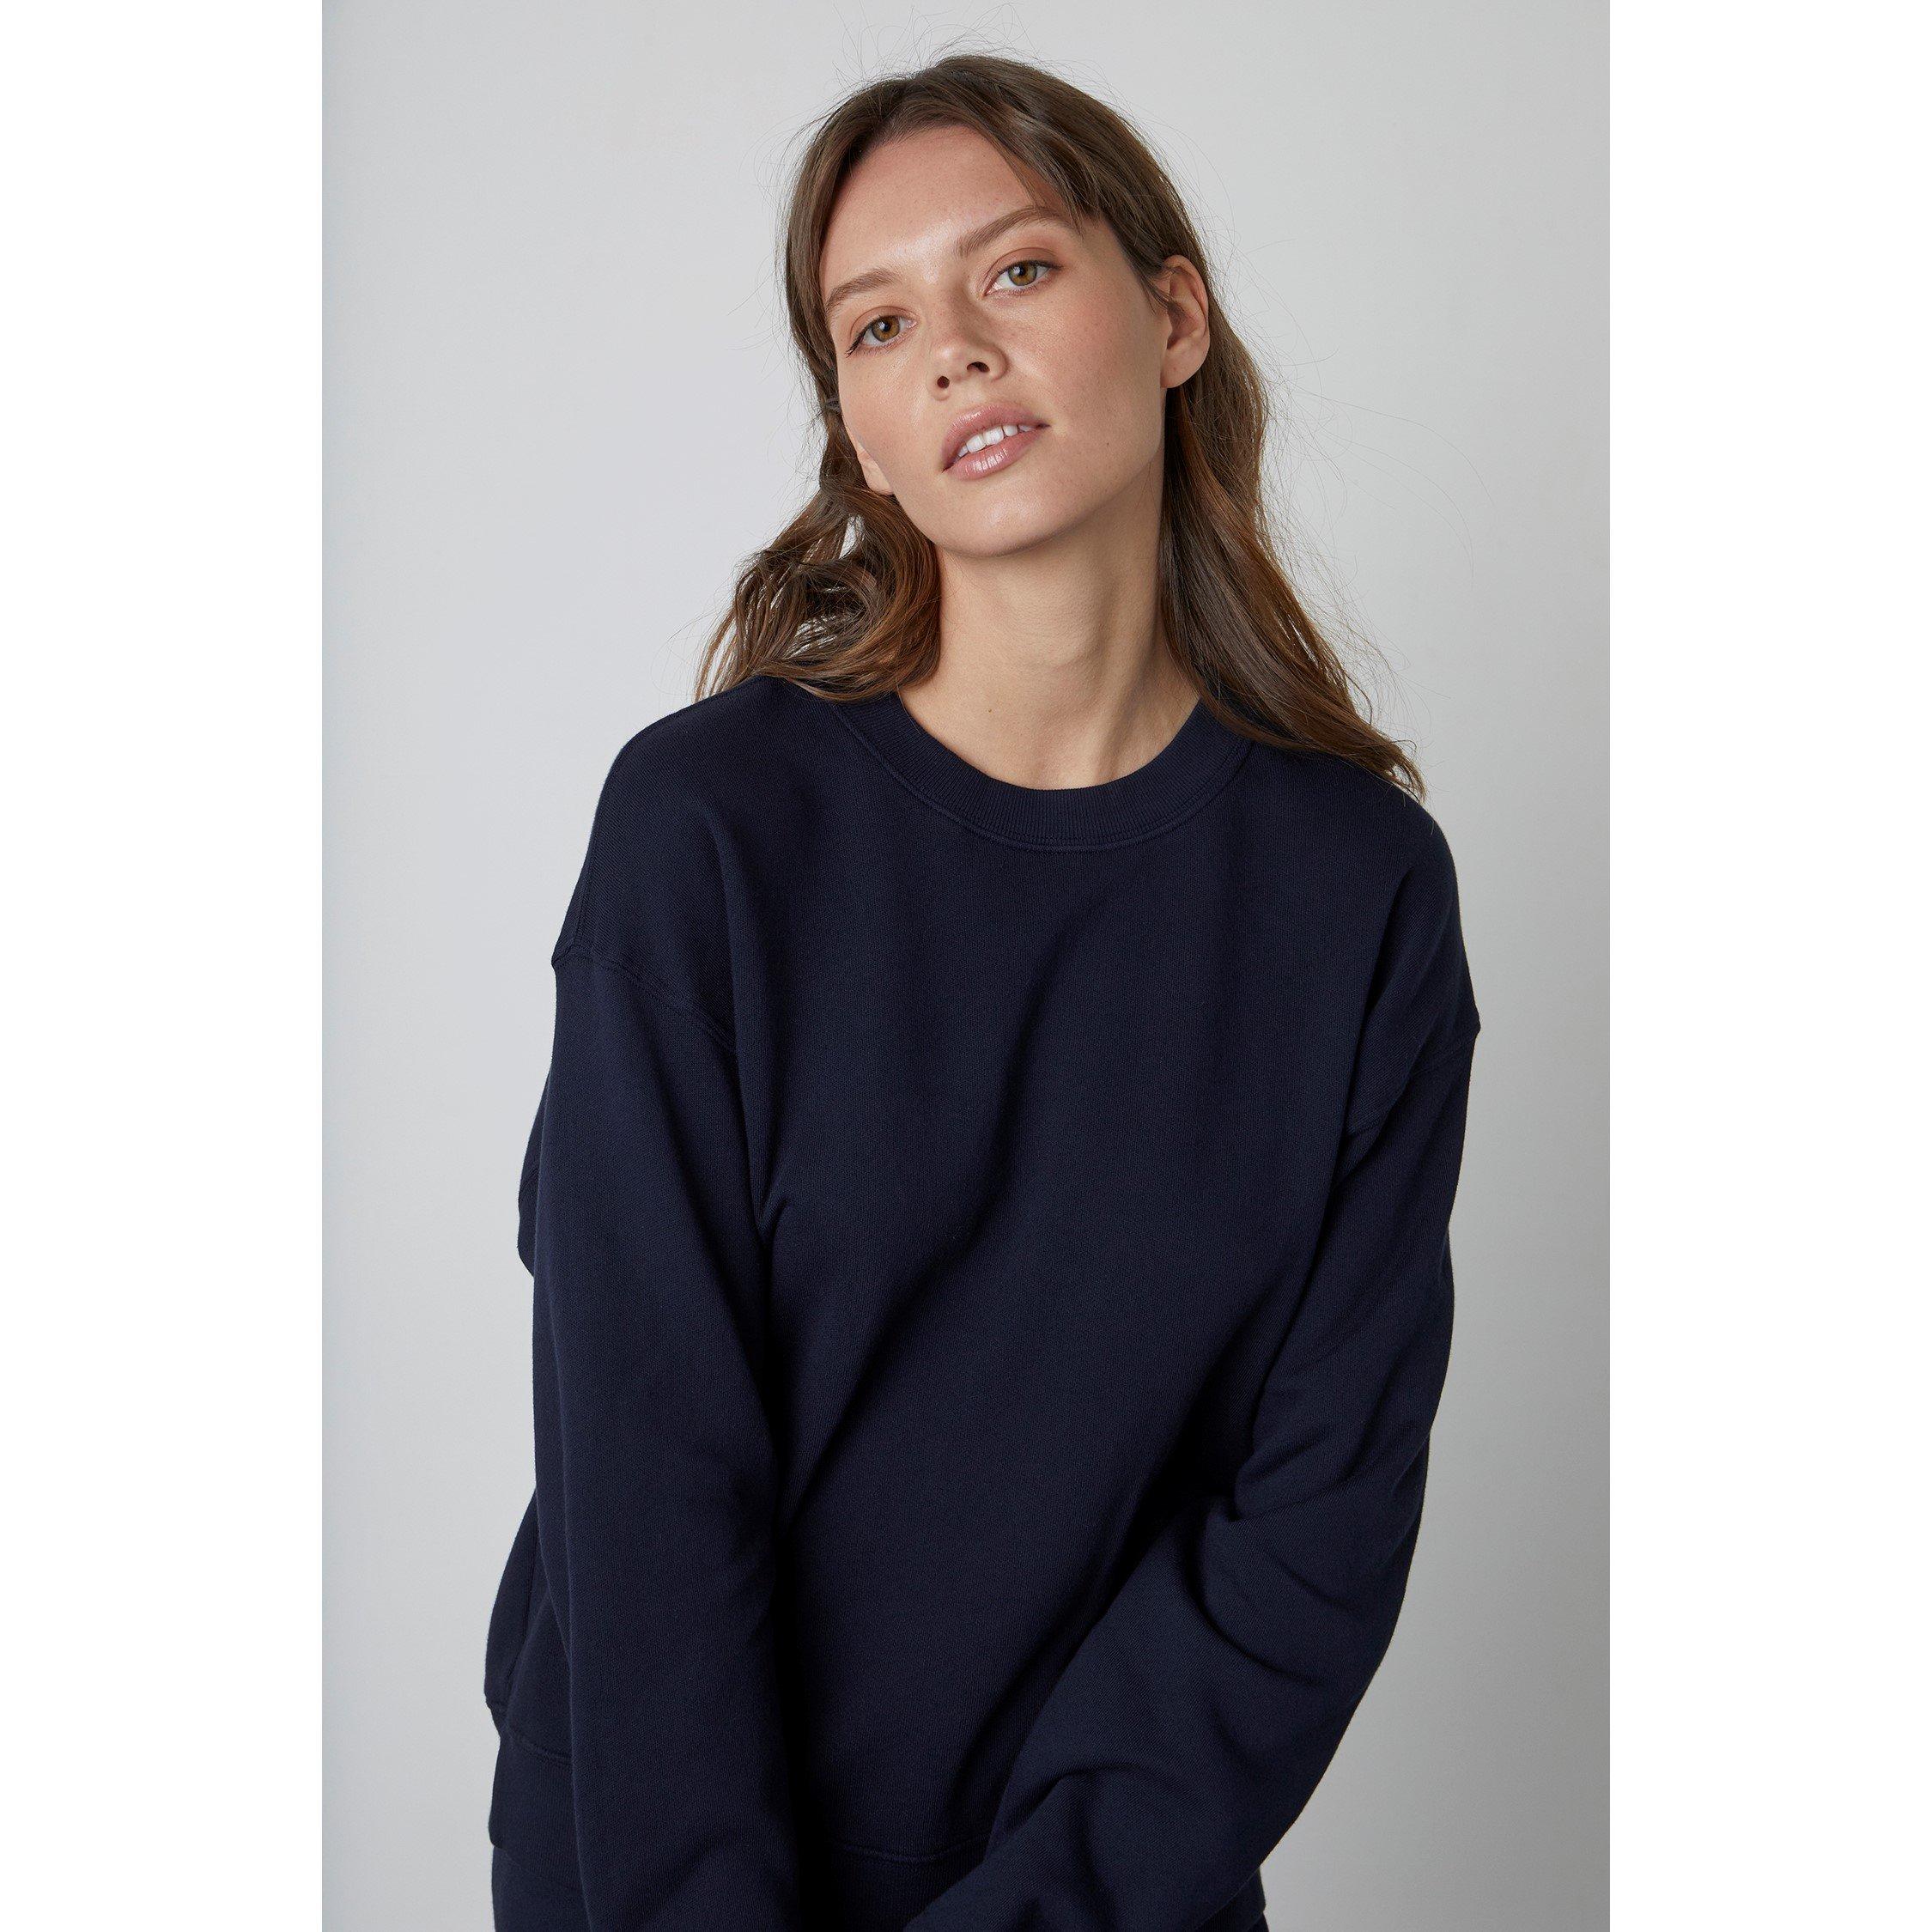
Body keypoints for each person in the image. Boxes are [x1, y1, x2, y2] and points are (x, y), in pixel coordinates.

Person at [483, 50, 1482, 1932]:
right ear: (859, 435)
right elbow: (642, 1469)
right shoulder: (709, 831)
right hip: (660, 1875)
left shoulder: (1359, 894)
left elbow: (1312, 1520)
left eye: (1015, 270)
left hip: (1102, 1896)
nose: (950, 350)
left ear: (1172, 316)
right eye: (878, 324)